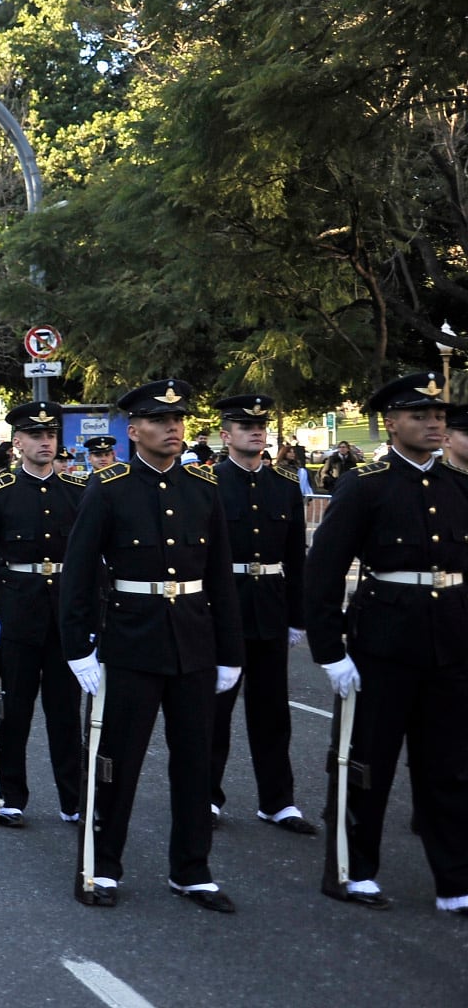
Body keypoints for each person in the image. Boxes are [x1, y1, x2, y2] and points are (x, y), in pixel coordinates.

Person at [58, 379, 243, 912]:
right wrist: (78, 648)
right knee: (118, 758)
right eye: (160, 422)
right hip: (130, 642)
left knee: (195, 762)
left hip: (192, 641)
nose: (173, 429)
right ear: (133, 430)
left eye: (179, 420)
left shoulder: (202, 488)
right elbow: (79, 573)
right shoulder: (109, 488)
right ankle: (104, 865)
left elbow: (219, 579)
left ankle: (192, 869)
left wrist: (230, 652)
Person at [304, 372, 467, 913]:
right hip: (382, 643)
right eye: (420, 415)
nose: (434, 423)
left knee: (449, 766)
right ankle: (353, 869)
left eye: (439, 415)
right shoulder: (367, 484)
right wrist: (330, 651)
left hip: (450, 644)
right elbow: (324, 572)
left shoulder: (457, 486)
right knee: (366, 761)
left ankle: (453, 880)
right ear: (391, 423)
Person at [0, 401, 85, 828]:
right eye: (36, 436)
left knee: (66, 713)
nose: (45, 442)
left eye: (50, 436)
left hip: (64, 618)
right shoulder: (1, 491)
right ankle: (11, 795)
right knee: (14, 711)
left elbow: (91, 563)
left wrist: (92, 618)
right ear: (18, 444)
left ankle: (74, 799)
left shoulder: (76, 492)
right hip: (17, 615)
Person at [207, 395, 313, 834]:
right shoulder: (208, 481)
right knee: (214, 709)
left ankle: (278, 800)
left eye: (260, 425)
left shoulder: (285, 485)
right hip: (222, 606)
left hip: (269, 604)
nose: (255, 431)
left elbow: (296, 556)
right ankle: (206, 796)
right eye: (244, 425)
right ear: (225, 435)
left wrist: (297, 615)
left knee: (272, 712)